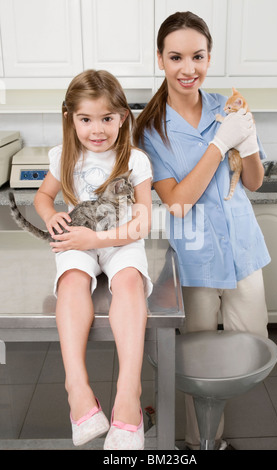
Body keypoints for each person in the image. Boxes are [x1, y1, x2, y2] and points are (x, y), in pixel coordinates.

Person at [133, 11, 270, 450]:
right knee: (198, 360)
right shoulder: (150, 130)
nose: (188, 68)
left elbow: (253, 181)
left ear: (209, 57)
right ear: (160, 59)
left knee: (253, 345)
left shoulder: (226, 107)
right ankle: (202, 443)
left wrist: (245, 141)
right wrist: (218, 143)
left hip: (243, 251)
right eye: (176, 57)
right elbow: (176, 202)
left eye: (198, 56)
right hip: (195, 260)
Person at [34, 69, 153, 450]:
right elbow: (42, 197)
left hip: (119, 241)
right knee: (71, 283)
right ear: (71, 118)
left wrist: (97, 238)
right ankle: (78, 390)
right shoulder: (62, 156)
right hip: (79, 241)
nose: (97, 129)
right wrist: (51, 215)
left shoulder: (135, 160)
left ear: (123, 117)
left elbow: (142, 224)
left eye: (107, 118)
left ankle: (128, 393)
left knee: (130, 282)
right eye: (86, 119)